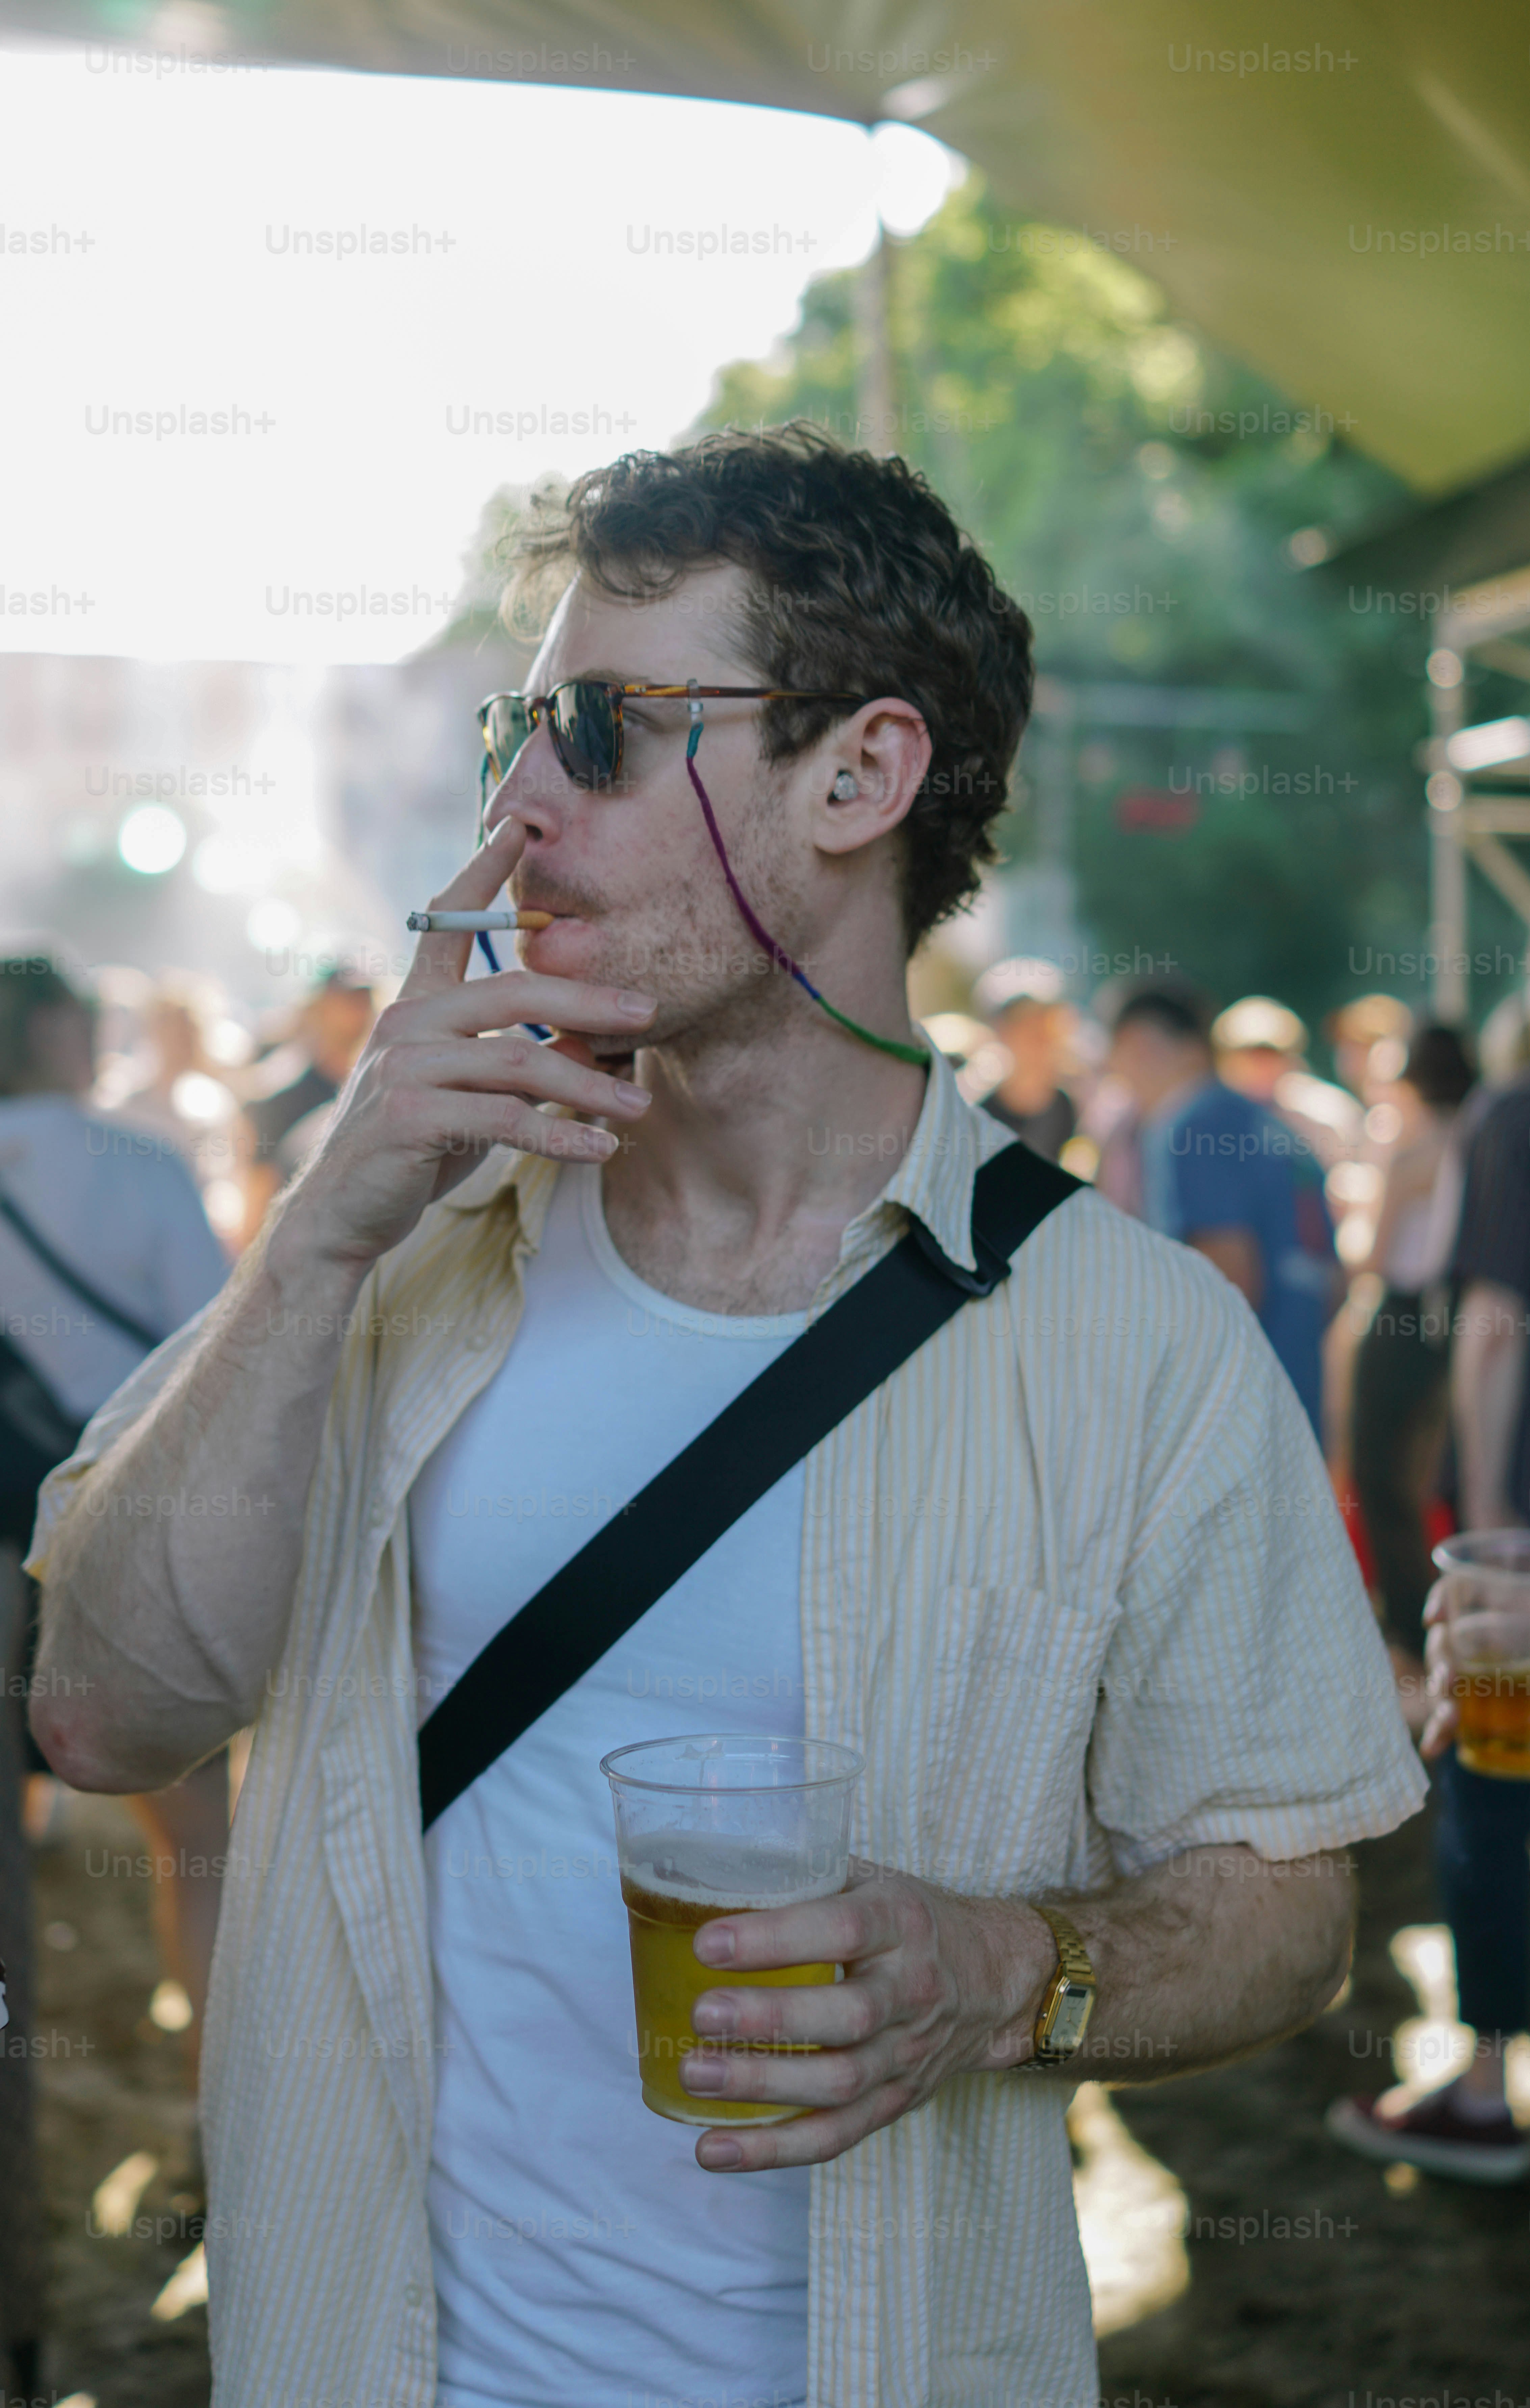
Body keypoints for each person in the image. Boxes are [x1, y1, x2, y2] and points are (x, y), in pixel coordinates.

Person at [28, 428, 1424, 2408]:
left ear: (857, 775)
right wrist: (320, 1235)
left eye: (600, 728)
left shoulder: (1129, 1347)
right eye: (523, 725)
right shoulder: (397, 1253)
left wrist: (1007, 1971)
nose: (519, 805)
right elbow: (102, 1711)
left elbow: (1285, 1910)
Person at [0, 953, 230, 2384]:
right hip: (117, 1541)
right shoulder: (139, 1168)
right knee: (195, 1843)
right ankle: (221, 2112)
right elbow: (218, 1351)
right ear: (70, 1038)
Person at [1328, 1059, 1530, 2183]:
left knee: (1492, 1791)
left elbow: (1497, 1316)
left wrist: (1496, 1520)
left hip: (1522, 1546)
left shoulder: (1515, 1111)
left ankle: (1482, 2088)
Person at [1106, 981, 1339, 1435]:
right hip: (1293, 1391)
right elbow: (1333, 1282)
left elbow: (1228, 1277)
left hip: (1232, 1410)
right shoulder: (1267, 1125)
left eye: (1126, 1050)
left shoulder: (1193, 1126)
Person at [1350, 1026, 1477, 1678]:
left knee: (1381, 1474)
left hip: (1405, 1321)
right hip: (1466, 1322)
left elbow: (1374, 1256)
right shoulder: (1482, 1138)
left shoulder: (1417, 1150)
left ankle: (1408, 1626)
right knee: (1448, 1479)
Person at [236, 965, 375, 1240]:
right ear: (320, 1008)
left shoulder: (378, 1093)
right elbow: (256, 1211)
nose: (358, 1012)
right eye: (348, 1001)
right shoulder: (279, 1101)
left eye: (364, 1001)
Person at [972, 955, 1078, 1161]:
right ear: (1001, 1031)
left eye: (1046, 1021)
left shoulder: (1077, 1109)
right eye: (1024, 1022)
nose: (1039, 1036)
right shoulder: (974, 1114)